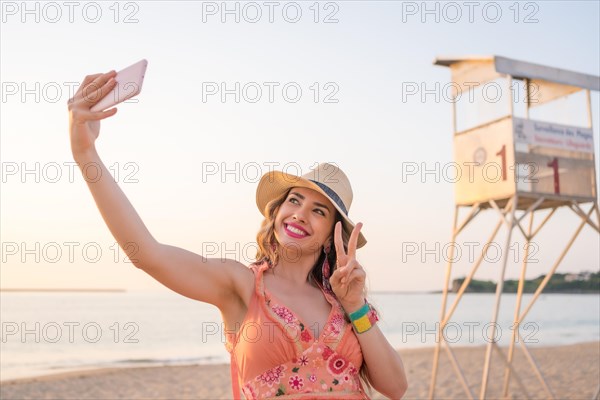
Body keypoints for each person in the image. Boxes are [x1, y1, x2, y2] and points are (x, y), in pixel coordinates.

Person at [68, 70, 408, 399]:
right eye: (294, 200)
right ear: (277, 213)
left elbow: (396, 388)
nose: (300, 214)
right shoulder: (241, 284)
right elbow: (146, 253)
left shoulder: (345, 301)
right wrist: (86, 154)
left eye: (318, 211)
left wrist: (355, 306)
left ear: (333, 234)